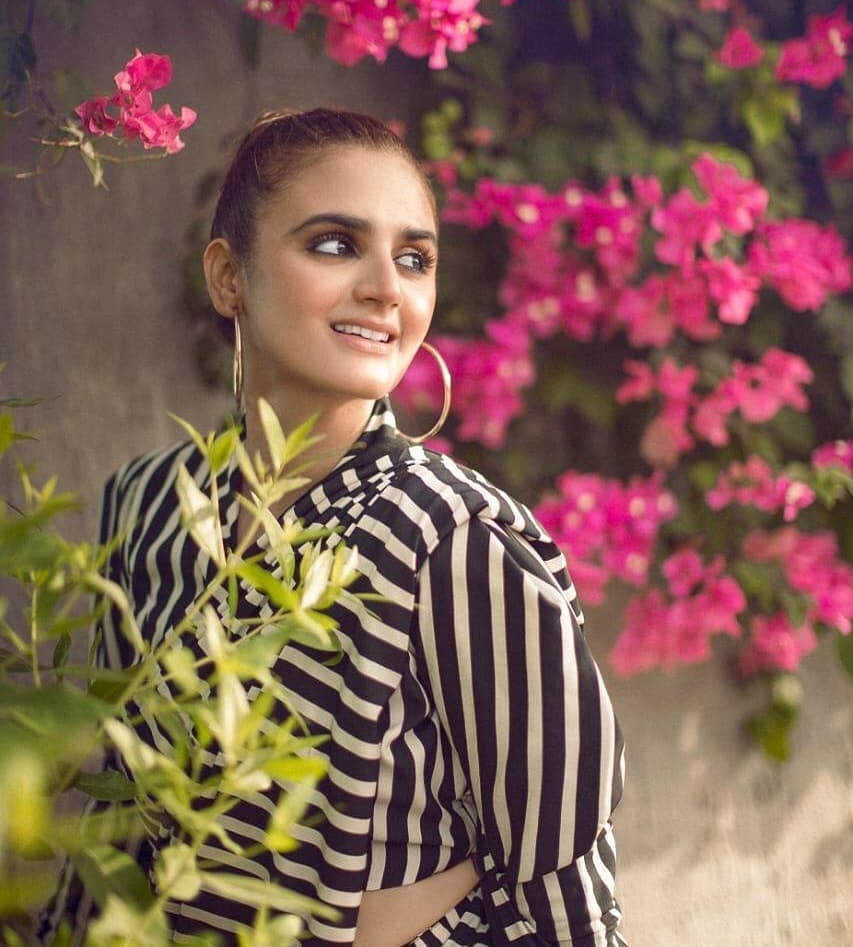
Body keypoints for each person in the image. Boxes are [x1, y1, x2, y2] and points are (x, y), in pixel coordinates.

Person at [54, 108, 627, 947]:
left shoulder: (453, 539)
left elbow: (567, 907)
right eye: (334, 243)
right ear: (228, 275)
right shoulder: (145, 506)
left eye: (414, 258)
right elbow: (112, 833)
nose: (386, 288)